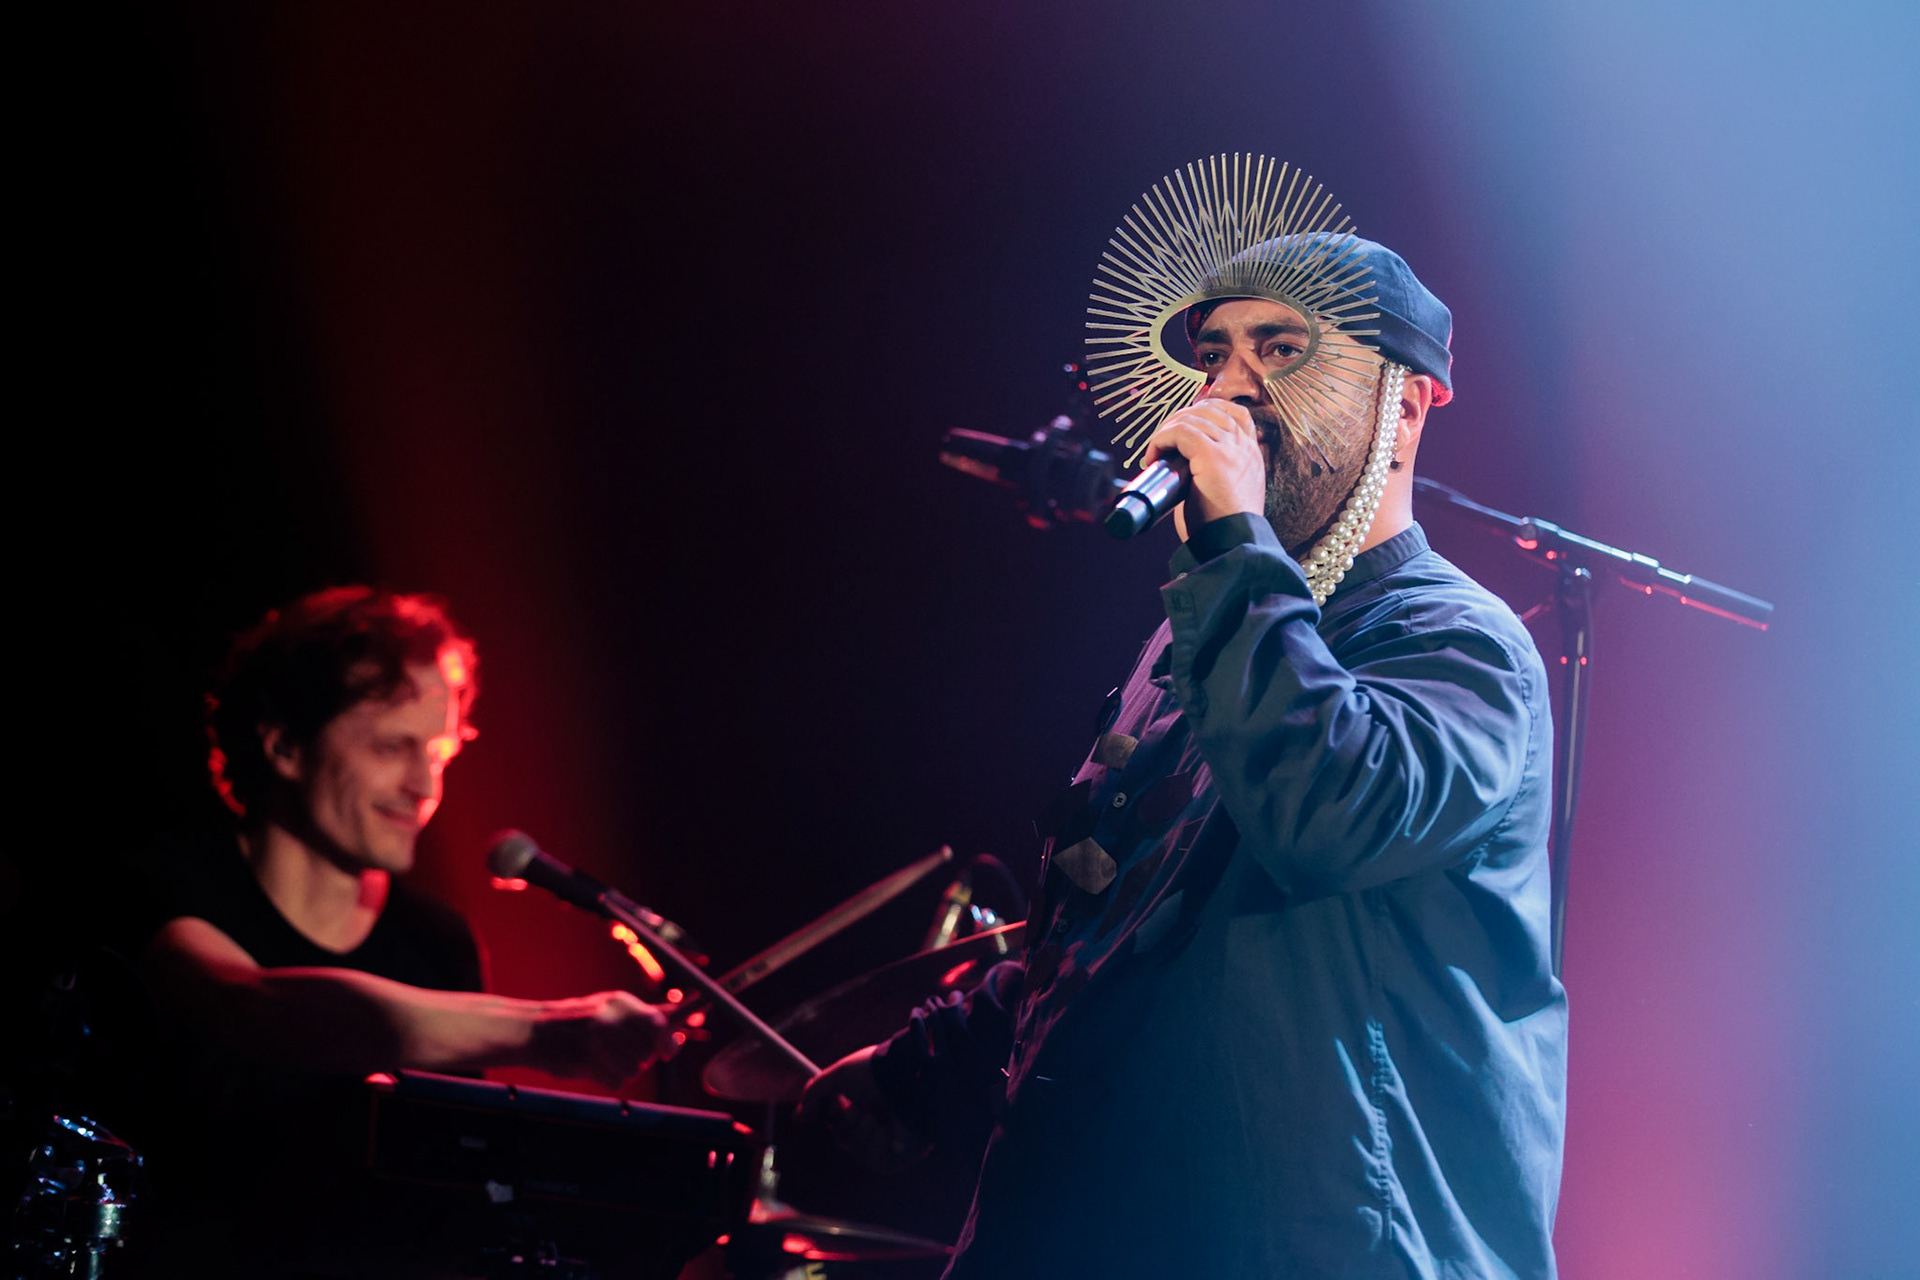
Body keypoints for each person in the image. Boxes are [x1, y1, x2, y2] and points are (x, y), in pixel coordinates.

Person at [804, 236, 1568, 1278]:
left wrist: (1235, 543)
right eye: (1215, 354)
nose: (1231, 388)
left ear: (1409, 403)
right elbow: (1121, 915)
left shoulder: (1458, 643)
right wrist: (929, 1064)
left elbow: (1327, 812)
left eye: (1283, 349)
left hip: (1327, 1244)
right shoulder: (1202, 629)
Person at [114, 586, 675, 1275]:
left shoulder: (436, 941)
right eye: (392, 747)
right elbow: (249, 1004)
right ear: (285, 745)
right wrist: (551, 1031)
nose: (425, 787)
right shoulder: (166, 884)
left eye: (439, 754)